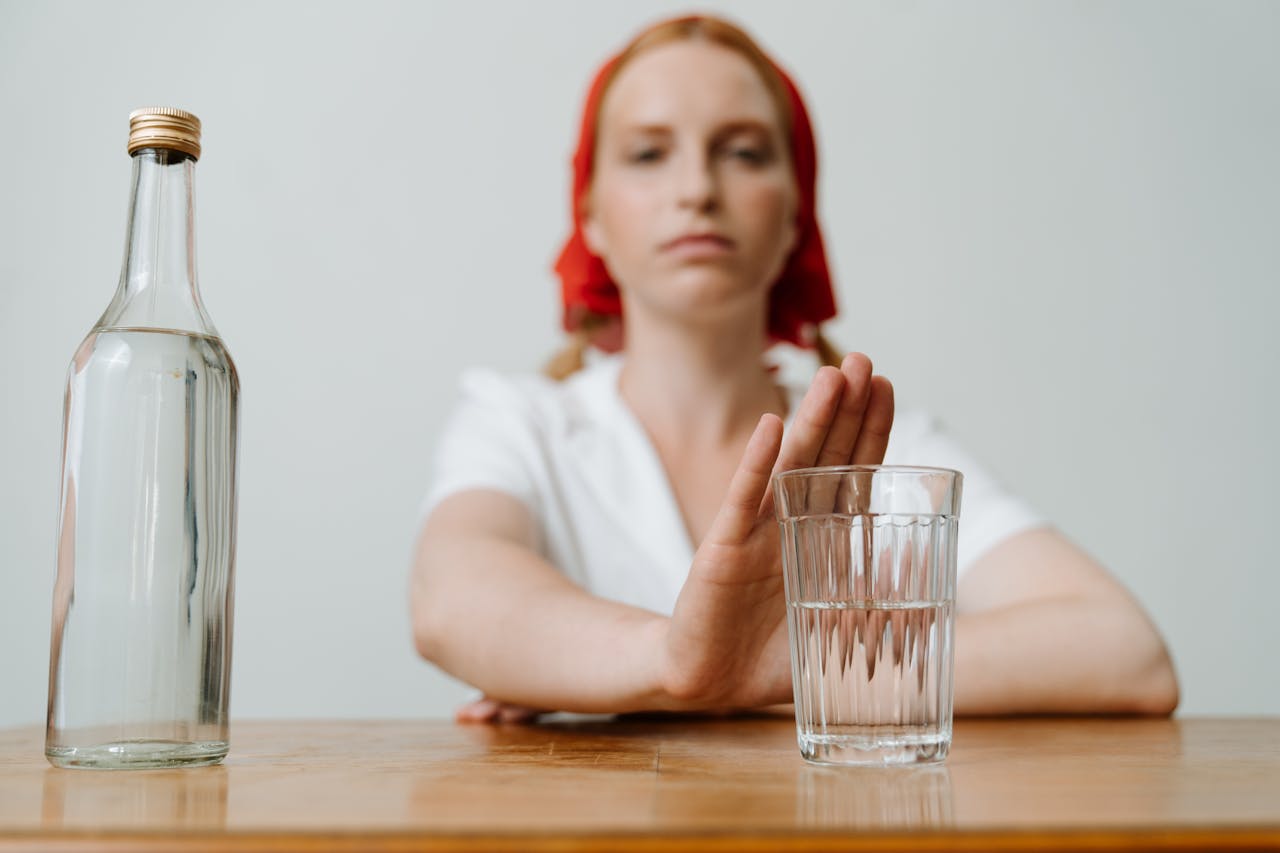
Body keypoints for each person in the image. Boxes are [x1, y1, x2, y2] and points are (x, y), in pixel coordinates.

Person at [410, 14, 1179, 723]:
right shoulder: (521, 421)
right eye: (648, 153)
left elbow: (1124, 650)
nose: (697, 190)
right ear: (592, 218)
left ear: (794, 217)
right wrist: (679, 664)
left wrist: (773, 670)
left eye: (743, 152)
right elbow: (451, 596)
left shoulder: (887, 445)